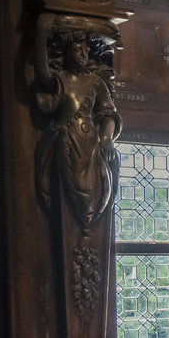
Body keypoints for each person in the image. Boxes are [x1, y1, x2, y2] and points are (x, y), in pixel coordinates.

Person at [35, 29, 121, 230]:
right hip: (67, 138)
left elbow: (108, 113)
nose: (83, 53)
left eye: (85, 49)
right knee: (71, 189)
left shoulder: (96, 82)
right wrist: (41, 30)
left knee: (94, 187)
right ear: (66, 53)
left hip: (91, 143)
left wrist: (107, 138)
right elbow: (42, 71)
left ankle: (88, 225)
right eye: (77, 49)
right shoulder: (61, 79)